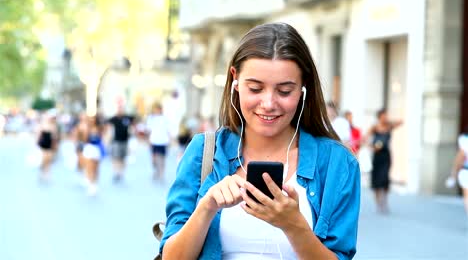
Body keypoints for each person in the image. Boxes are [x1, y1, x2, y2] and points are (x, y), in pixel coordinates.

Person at [159, 23, 360, 260]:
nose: (268, 103)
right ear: (235, 80)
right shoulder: (204, 152)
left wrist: (294, 226)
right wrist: (207, 206)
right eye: (255, 88)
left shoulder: (338, 163)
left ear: (303, 88)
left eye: (284, 91)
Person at [365, 108, 403, 214]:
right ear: (379, 116)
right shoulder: (375, 127)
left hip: (386, 156)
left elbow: (401, 122)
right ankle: (378, 203)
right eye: (383, 116)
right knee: (377, 179)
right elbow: (365, 138)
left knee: (385, 178)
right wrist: (372, 146)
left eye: (386, 115)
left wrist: (389, 121)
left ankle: (384, 201)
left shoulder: (389, 126)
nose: (385, 117)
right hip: (377, 156)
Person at [107, 105, 135, 182]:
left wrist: (132, 135)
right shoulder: (113, 119)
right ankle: (116, 172)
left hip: (125, 141)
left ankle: (121, 172)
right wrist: (108, 141)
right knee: (116, 157)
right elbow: (109, 129)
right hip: (116, 141)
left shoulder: (127, 118)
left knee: (123, 158)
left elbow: (132, 126)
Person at [146, 102, 171, 181]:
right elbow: (148, 130)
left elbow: (168, 130)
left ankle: (161, 173)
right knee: (155, 158)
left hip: (163, 141)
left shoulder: (165, 119)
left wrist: (170, 140)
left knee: (162, 158)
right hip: (154, 140)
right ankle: (156, 170)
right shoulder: (151, 118)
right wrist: (148, 140)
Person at [446, 125, 468, 215]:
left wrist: (453, 175)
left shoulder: (465, 141)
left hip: (466, 171)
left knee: (467, 197)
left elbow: (459, 158)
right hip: (466, 171)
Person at [37, 113, 59, 182]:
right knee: (44, 158)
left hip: (50, 144)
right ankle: (43, 170)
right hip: (44, 143)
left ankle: (47, 172)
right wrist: (37, 141)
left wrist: (55, 145)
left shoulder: (54, 126)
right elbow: (39, 134)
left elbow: (55, 137)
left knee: (49, 159)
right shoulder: (43, 124)